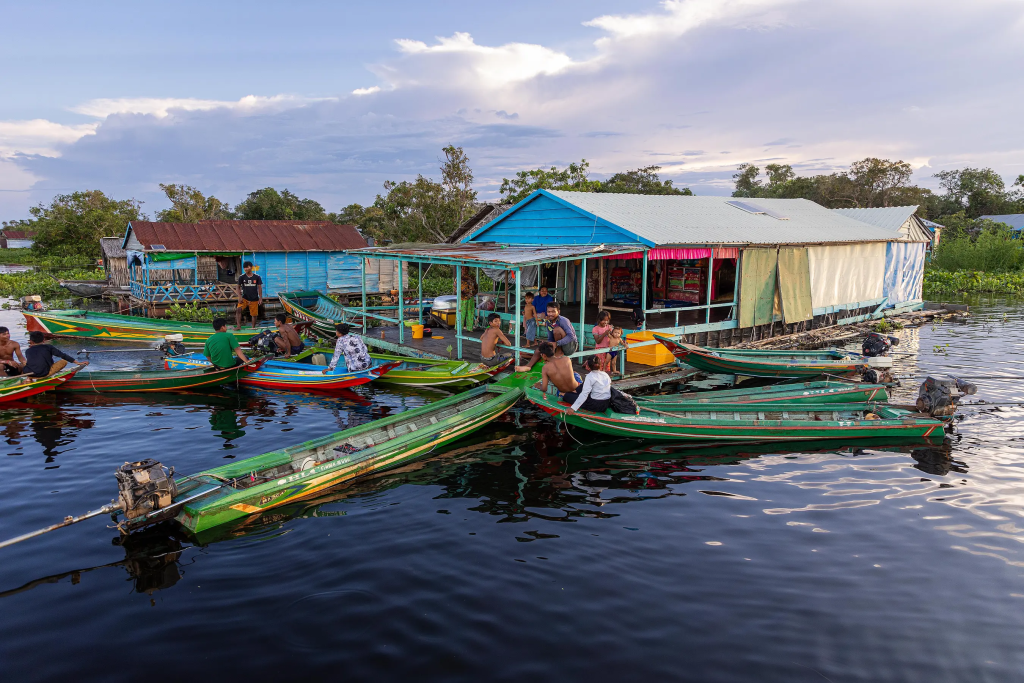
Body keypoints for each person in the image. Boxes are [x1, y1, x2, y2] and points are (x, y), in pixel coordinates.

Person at [516, 302, 578, 371]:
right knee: (539, 349)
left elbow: (571, 337)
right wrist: (547, 345)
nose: (550, 314)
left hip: (570, 347)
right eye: (549, 312)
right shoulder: (548, 321)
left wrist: (557, 343)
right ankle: (528, 366)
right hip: (557, 344)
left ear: (558, 312)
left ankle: (559, 353)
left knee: (557, 330)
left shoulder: (563, 321)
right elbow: (550, 338)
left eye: (553, 312)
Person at [22, 331, 88, 377]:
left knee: (24, 363)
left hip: (29, 373)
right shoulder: (48, 347)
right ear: (44, 340)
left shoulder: (28, 351)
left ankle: (28, 378)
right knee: (63, 361)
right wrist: (78, 363)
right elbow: (62, 355)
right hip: (44, 373)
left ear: (31, 342)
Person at [235, 261, 263, 329]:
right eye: (244, 267)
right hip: (244, 298)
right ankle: (238, 326)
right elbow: (238, 287)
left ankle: (253, 327)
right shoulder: (242, 277)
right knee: (238, 309)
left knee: (254, 314)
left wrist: (260, 298)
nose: (246, 269)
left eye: (247, 267)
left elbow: (259, 287)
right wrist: (239, 296)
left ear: (251, 267)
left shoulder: (257, 277)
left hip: (254, 298)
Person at [459, 267, 478, 333]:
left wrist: (473, 293)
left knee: (470, 312)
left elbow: (476, 286)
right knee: (461, 313)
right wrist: (460, 294)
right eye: (463, 269)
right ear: (461, 270)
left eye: (466, 269)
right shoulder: (459, 277)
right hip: (462, 298)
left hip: (470, 297)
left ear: (468, 270)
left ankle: (469, 328)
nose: (464, 270)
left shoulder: (472, 277)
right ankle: (458, 328)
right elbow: (455, 287)